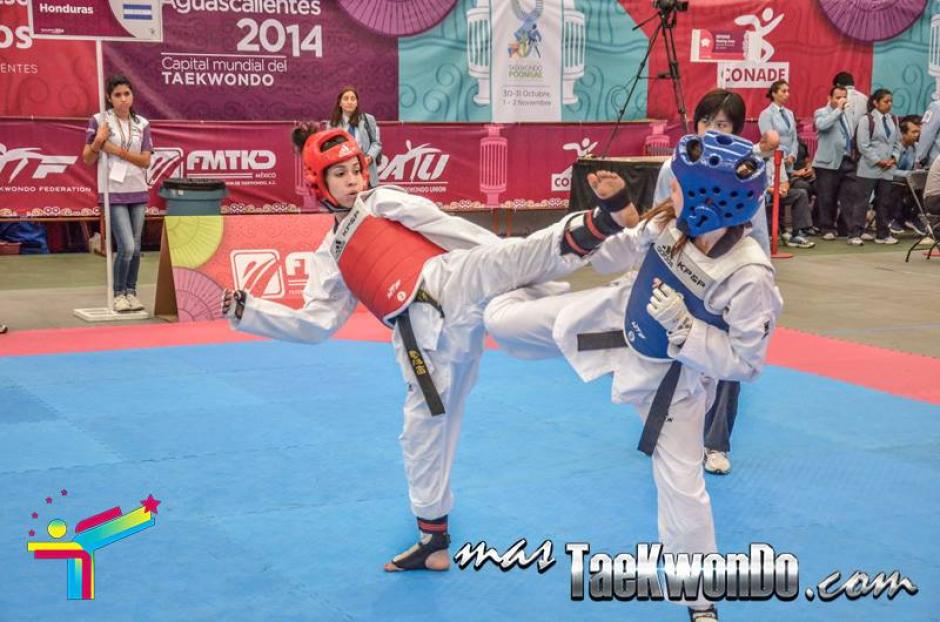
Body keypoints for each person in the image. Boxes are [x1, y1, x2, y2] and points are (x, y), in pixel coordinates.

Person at [220, 127, 631, 573]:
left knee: (512, 258)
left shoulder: (381, 201)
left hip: (446, 279)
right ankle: (433, 540)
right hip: (419, 337)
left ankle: (607, 223)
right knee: (425, 432)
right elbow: (318, 322)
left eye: (355, 169)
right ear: (319, 184)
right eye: (339, 174)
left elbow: (447, 227)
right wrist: (251, 313)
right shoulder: (330, 255)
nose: (352, 180)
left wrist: (515, 267)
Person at [485, 132, 783, 622]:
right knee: (500, 322)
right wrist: (619, 211)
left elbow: (747, 363)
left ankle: (700, 599)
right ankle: (534, 286)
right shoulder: (669, 221)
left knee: (682, 485)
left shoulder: (749, 274)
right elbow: (613, 258)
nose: (670, 192)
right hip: (613, 321)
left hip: (674, 382)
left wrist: (686, 329)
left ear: (708, 200)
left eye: (679, 187)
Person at [82, 75, 153, 313]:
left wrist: (116, 150)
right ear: (109, 98)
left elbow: (145, 160)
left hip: (138, 189)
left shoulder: (142, 123)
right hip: (113, 191)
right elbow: (87, 158)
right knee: (127, 246)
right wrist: (98, 141)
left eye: (127, 94)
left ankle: (132, 292)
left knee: (137, 247)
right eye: (118, 95)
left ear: (132, 96)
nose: (123, 99)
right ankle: (119, 294)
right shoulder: (99, 120)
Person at [849, 88, 901, 246]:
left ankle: (882, 234)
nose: (889, 104)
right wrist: (878, 161)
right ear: (876, 103)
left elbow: (897, 142)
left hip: (887, 169)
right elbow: (863, 145)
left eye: (891, 101)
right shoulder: (867, 120)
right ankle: (855, 234)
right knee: (862, 202)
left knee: (884, 202)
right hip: (869, 169)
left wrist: (893, 158)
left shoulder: (894, 119)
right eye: (886, 101)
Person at [813, 85, 856, 241]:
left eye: (844, 97)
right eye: (838, 97)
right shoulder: (821, 112)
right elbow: (822, 125)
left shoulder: (847, 113)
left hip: (846, 159)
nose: (841, 100)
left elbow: (849, 133)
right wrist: (838, 110)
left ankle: (845, 227)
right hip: (827, 162)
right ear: (829, 98)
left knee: (849, 194)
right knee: (827, 197)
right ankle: (826, 227)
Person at [327, 86, 382, 187]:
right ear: (340, 103)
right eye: (346, 98)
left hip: (366, 172)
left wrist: (369, 157)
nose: (350, 102)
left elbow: (376, 143)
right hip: (343, 174)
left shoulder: (368, 119)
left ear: (357, 103)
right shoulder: (332, 125)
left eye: (353, 99)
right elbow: (329, 150)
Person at [758, 80, 799, 170]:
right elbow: (770, 141)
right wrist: (784, 156)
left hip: (790, 163)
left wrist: (792, 155)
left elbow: (794, 138)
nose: (787, 94)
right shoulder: (766, 114)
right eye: (783, 91)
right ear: (774, 94)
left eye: (788, 91)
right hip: (775, 162)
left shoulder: (790, 113)